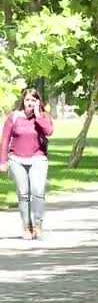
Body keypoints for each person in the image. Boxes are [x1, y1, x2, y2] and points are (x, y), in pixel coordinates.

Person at [0, 89, 54, 240]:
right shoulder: (14, 117)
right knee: (23, 194)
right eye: (27, 100)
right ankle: (26, 226)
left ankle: (38, 225)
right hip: (17, 159)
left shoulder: (43, 117)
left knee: (38, 191)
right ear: (23, 101)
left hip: (38, 158)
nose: (30, 103)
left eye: (33, 100)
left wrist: (38, 115)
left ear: (38, 102)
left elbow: (49, 131)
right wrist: (3, 161)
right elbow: (4, 139)